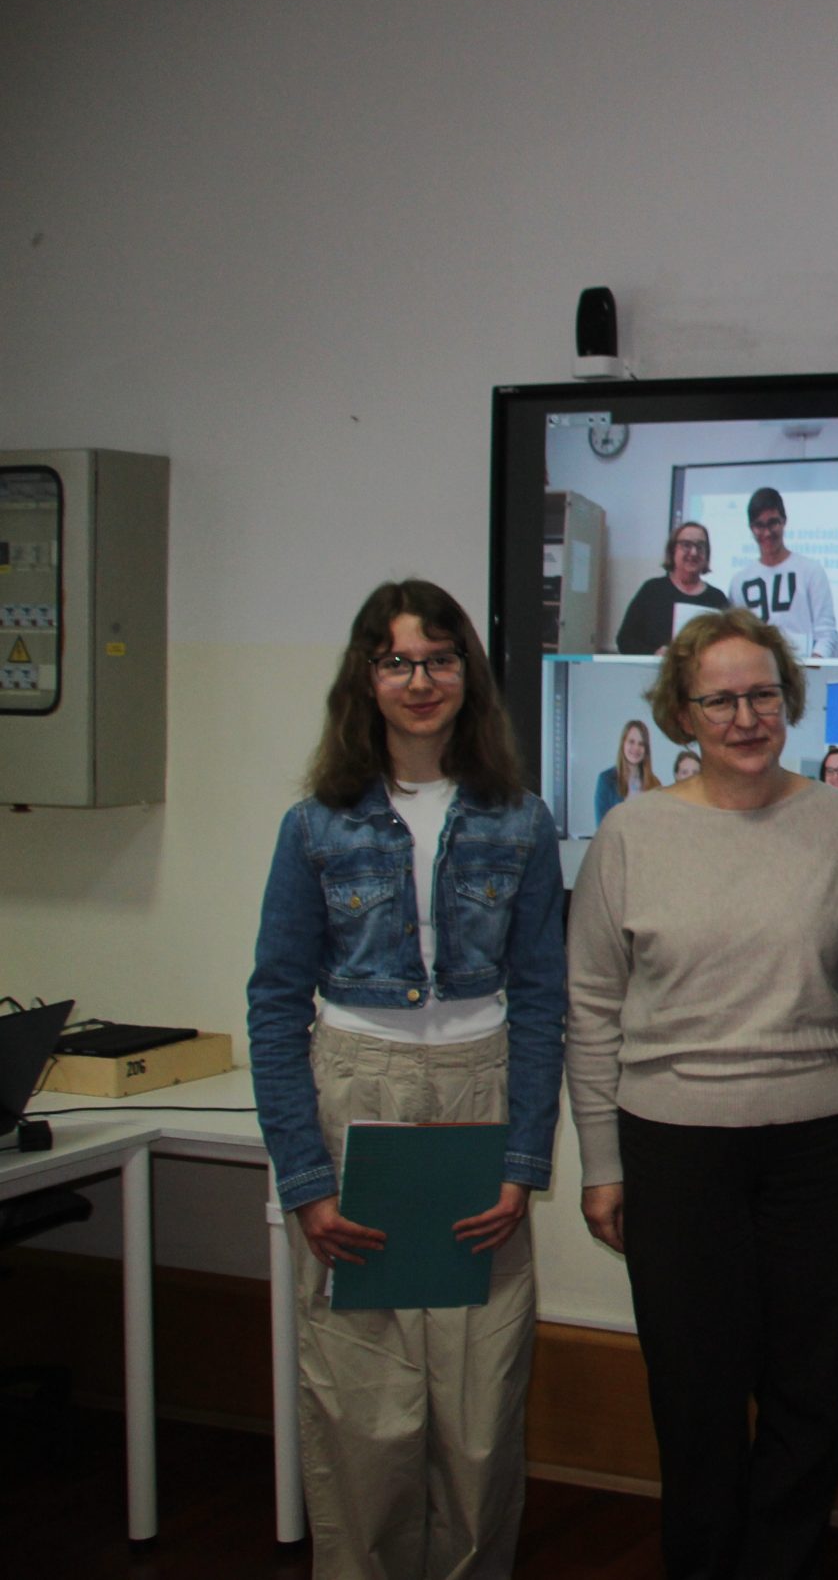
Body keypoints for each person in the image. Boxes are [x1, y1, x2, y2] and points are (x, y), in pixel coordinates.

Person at [566, 608, 838, 1580]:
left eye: (763, 694)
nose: (746, 716)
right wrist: (600, 1161)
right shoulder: (630, 834)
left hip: (823, 1142)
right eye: (719, 700)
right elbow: (591, 1006)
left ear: (789, 700)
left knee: (807, 1390)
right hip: (675, 1146)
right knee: (695, 1394)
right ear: (682, 713)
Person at [246, 579, 567, 1580]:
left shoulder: (521, 821)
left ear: (467, 672)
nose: (420, 680)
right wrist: (305, 1179)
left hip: (480, 1094)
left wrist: (522, 1161)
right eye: (397, 661)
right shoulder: (315, 826)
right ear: (367, 678)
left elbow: (543, 999)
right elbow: (274, 1004)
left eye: (439, 658)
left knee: (479, 1408)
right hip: (356, 1099)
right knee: (363, 1409)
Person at [728, 488, 838, 658]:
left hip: (801, 667)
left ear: (784, 521)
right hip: (758, 668)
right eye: (759, 525)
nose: (767, 532)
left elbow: (826, 633)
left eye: (773, 523)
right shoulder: (739, 582)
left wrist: (814, 664)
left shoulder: (810, 570)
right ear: (751, 528)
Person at [615, 521, 730, 656]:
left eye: (700, 546)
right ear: (672, 550)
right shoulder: (652, 591)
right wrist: (654, 653)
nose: (694, 552)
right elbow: (625, 640)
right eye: (686, 545)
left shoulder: (717, 598)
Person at [593, 718, 659, 828]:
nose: (636, 748)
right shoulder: (606, 780)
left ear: (646, 749)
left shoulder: (655, 784)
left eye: (641, 744)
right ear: (623, 744)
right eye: (631, 742)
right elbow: (602, 829)